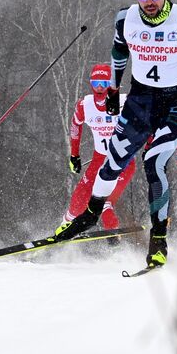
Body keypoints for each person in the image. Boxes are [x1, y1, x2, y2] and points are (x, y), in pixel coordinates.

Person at [53, 0, 177, 270]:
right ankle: (89, 215)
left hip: (176, 102)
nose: (149, 1)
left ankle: (158, 240)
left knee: (153, 162)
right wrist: (112, 87)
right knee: (111, 162)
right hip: (139, 101)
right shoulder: (126, 18)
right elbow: (118, 49)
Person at [63, 63, 138, 233]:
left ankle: (113, 237)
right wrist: (74, 155)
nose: (99, 88)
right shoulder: (84, 105)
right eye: (95, 82)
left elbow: (146, 118)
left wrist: (150, 144)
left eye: (104, 84)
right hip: (99, 160)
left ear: (111, 84)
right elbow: (75, 127)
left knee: (105, 201)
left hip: (123, 163)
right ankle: (61, 231)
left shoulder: (124, 101)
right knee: (78, 200)